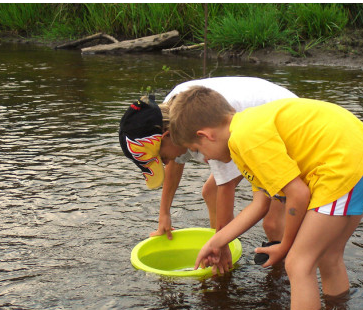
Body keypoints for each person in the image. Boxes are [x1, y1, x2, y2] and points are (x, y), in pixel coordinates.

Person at [169, 87, 363, 310]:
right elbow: (260, 204)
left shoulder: (246, 138)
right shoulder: (248, 131)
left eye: (197, 150)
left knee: (297, 264)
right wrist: (217, 241)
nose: (205, 159)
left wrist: (285, 245)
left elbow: (298, 195)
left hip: (344, 164)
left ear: (205, 135)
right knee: (328, 255)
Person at [119, 77, 297, 252]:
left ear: (166, 137)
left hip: (285, 126)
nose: (165, 162)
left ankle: (279, 262)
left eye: (162, 158)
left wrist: (220, 248)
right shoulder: (163, 117)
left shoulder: (209, 129)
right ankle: (223, 243)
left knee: (272, 224)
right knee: (210, 192)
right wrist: (164, 214)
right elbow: (175, 164)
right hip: (257, 126)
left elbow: (225, 188)